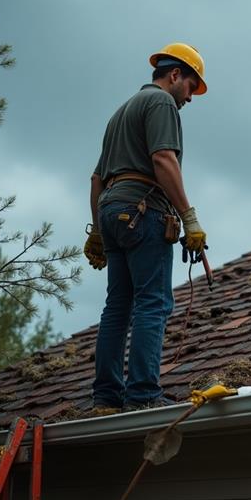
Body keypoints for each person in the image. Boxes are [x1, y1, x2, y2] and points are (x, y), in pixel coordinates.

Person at [83, 42, 209, 412]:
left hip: (111, 211)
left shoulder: (120, 113)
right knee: (153, 303)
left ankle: (105, 398)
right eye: (190, 86)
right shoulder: (161, 103)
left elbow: (95, 180)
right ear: (174, 75)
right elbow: (163, 159)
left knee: (117, 307)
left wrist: (96, 231)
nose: (190, 97)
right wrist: (189, 217)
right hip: (142, 211)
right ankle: (142, 395)